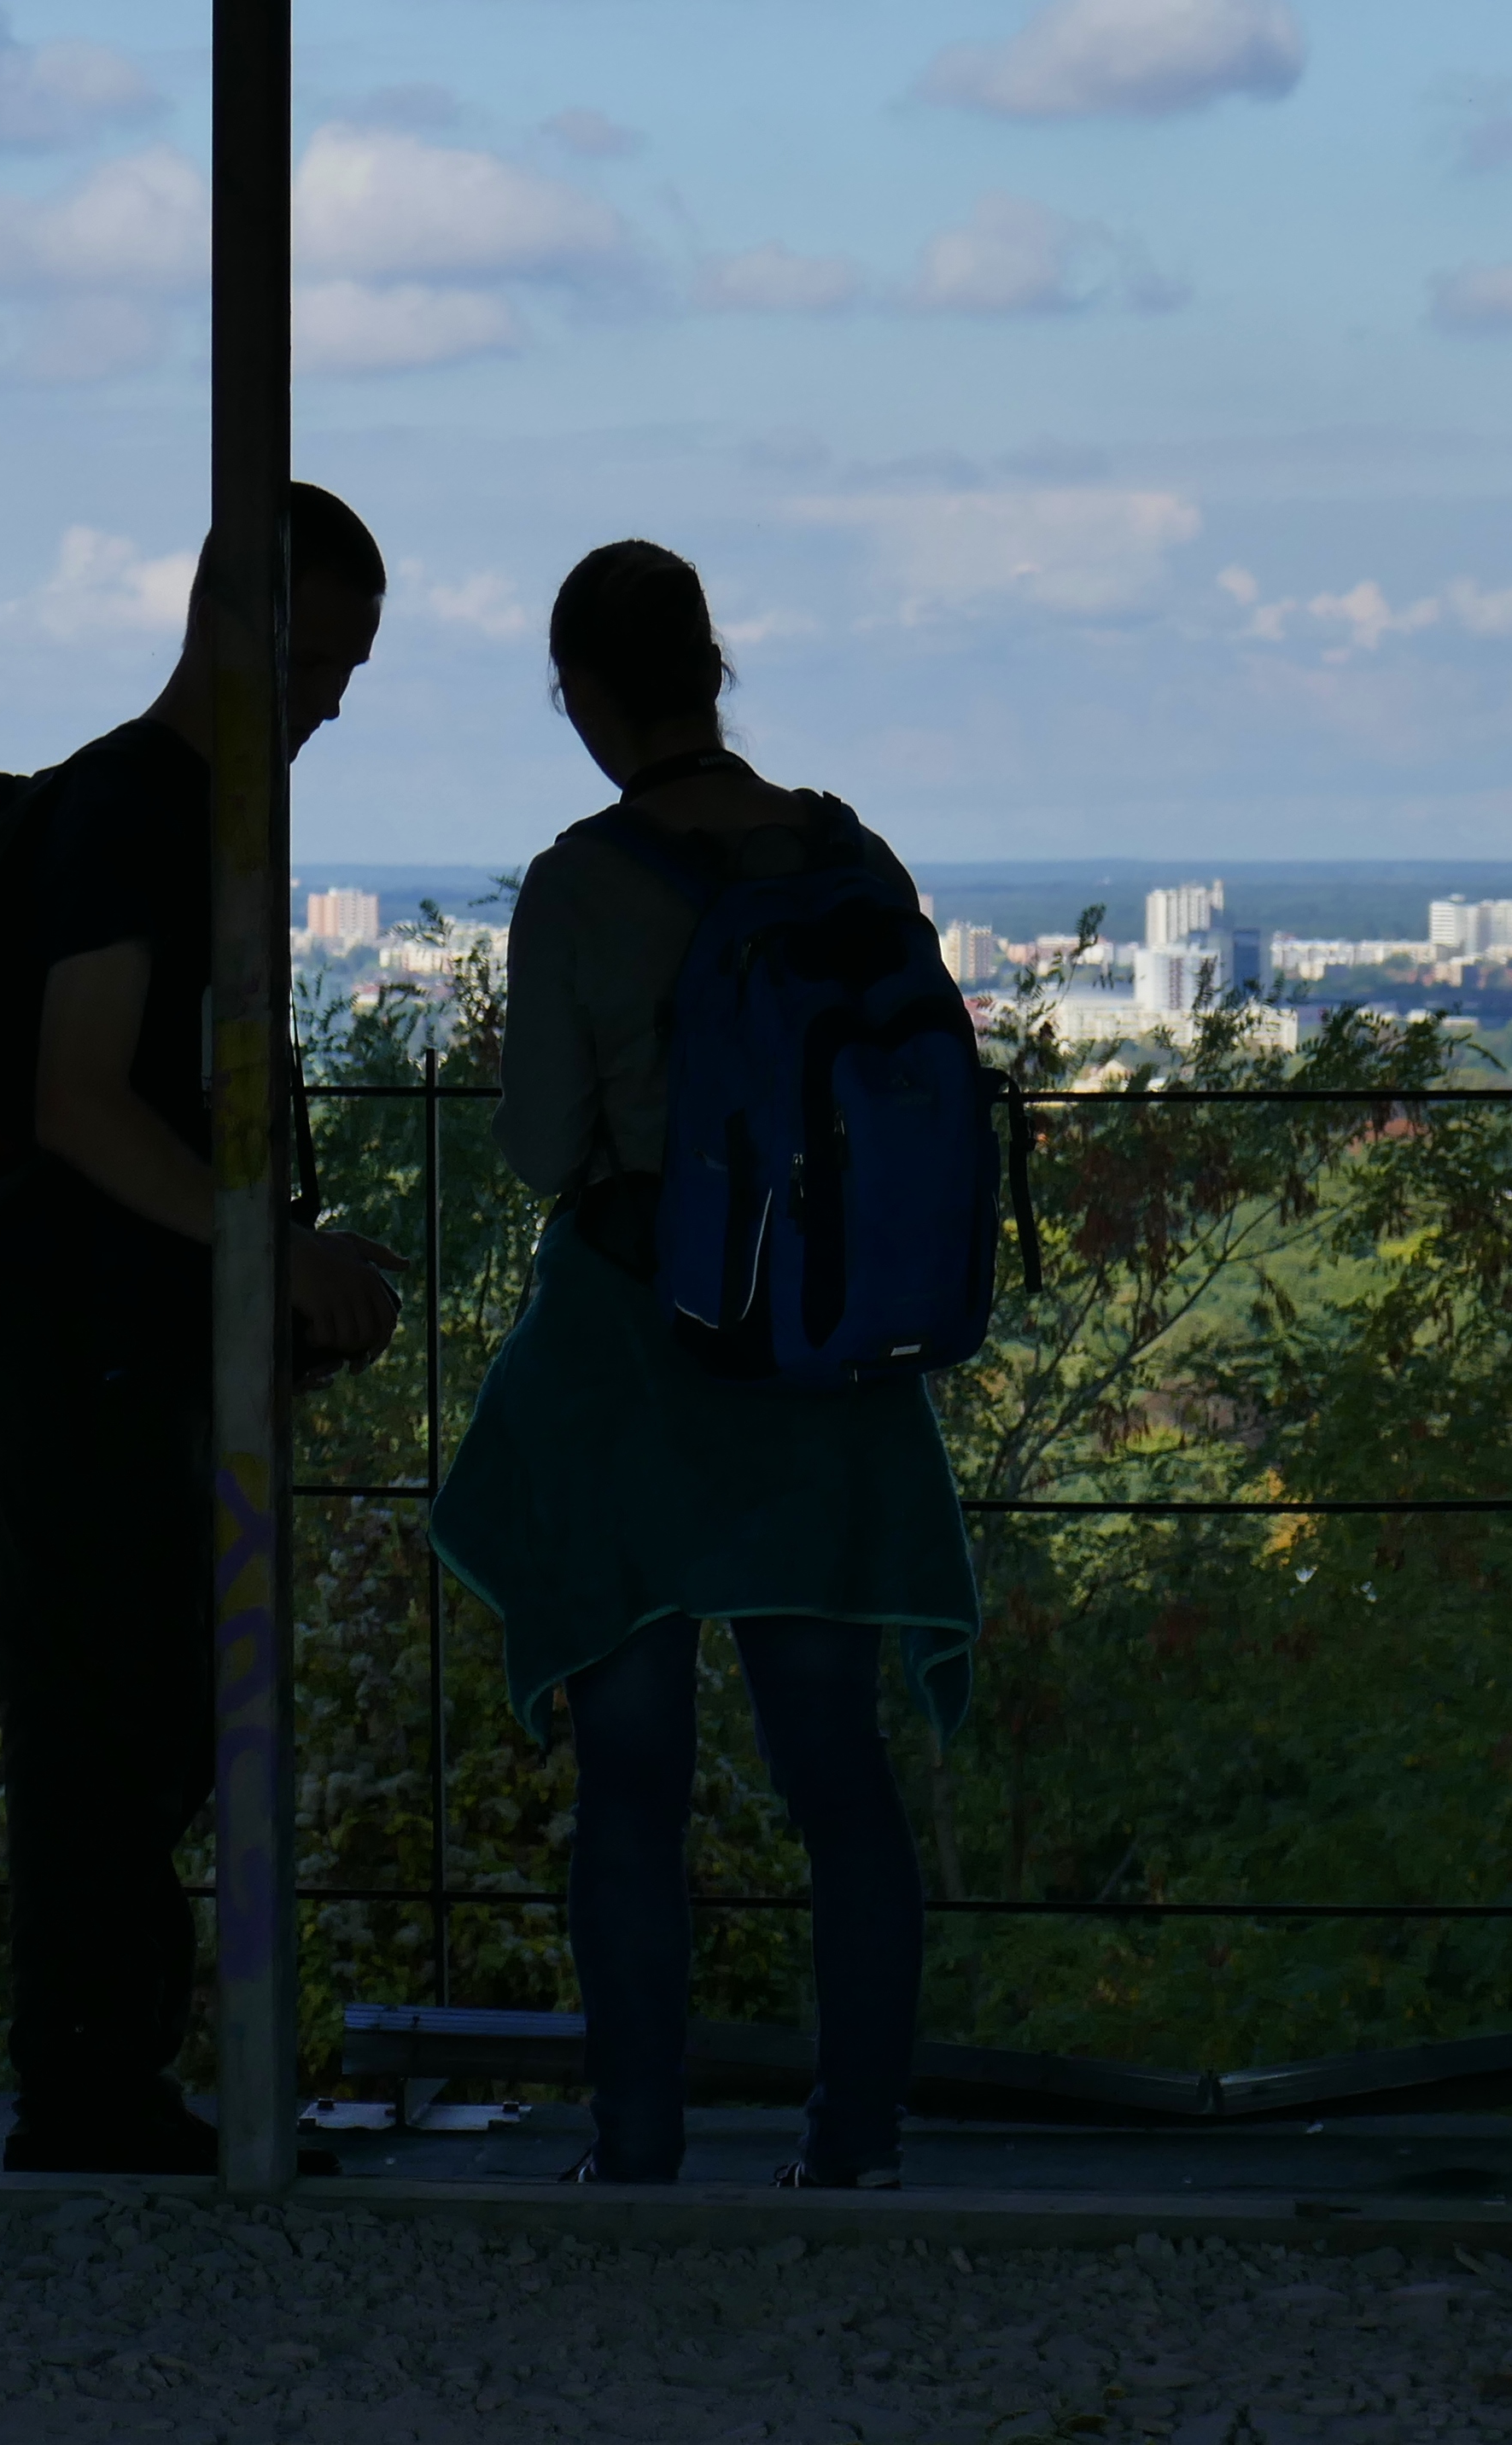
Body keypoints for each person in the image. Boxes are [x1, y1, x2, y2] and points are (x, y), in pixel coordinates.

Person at [428, 539, 978, 2191]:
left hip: (643, 1359)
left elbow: (540, 1151)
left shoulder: (580, 881)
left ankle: (641, 2147)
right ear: (715, 669)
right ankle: (854, 2144)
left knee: (634, 1782)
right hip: (830, 1360)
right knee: (836, 1764)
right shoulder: (847, 847)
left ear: (581, 694)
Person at [0, 482, 404, 2177]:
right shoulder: (143, 815)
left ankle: (110, 2086)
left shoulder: (164, 808)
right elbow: (84, 1101)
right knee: (114, 1721)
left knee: (143, 1718)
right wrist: (269, 1251)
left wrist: (269, 1259)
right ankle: (90, 2094)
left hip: (113, 1327)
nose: (332, 703)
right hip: (92, 1336)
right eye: (321, 660)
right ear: (242, 626)